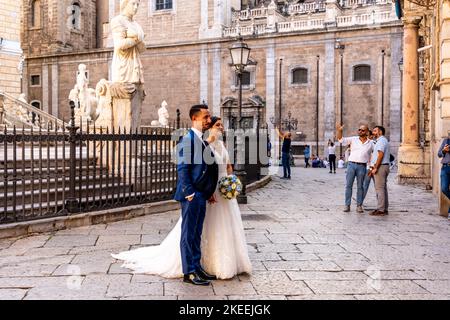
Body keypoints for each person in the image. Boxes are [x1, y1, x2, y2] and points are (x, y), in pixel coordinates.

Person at [112, 112, 252, 284]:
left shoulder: (201, 139)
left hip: (203, 194)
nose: (209, 120)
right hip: (193, 194)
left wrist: (210, 191)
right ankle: (189, 272)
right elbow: (183, 169)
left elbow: (208, 169)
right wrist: (190, 193)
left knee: (196, 233)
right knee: (188, 233)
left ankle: (197, 267)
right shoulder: (188, 139)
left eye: (210, 118)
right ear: (195, 118)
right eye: (206, 117)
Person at [336, 123, 374, 213]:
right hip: (351, 165)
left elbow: (375, 155)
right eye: (359, 130)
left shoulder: (371, 143)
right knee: (348, 186)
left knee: (360, 187)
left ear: (367, 132)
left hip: (362, 166)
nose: (360, 131)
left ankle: (359, 205)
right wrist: (339, 131)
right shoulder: (353, 139)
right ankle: (347, 205)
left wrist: (371, 168)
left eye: (362, 130)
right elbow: (341, 140)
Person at [368, 126, 390, 216]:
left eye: (375, 130)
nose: (373, 132)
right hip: (382, 166)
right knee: (383, 188)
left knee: (379, 189)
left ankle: (381, 209)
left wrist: (376, 167)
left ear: (380, 132)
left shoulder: (381, 141)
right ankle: (384, 208)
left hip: (381, 167)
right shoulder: (380, 141)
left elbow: (380, 154)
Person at [438, 132, 450, 216]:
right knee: (444, 188)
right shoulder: (446, 141)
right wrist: (444, 151)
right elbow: (439, 154)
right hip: (445, 167)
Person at [362, 130, 376, 203]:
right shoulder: (364, 144)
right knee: (364, 185)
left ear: (371, 136)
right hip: (367, 167)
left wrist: (371, 167)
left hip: (372, 168)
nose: (366, 137)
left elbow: (374, 156)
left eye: (367, 135)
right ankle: (360, 201)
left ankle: (381, 204)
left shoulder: (373, 143)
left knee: (377, 186)